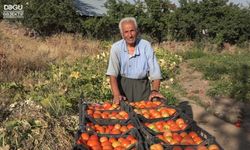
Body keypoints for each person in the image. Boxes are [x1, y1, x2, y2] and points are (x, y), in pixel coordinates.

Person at [106, 17, 164, 103]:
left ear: (137, 31)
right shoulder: (116, 48)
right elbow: (113, 74)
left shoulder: (145, 46)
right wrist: (116, 94)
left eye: (132, 30)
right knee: (123, 114)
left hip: (142, 87)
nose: (130, 35)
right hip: (123, 87)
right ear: (122, 34)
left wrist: (154, 91)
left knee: (143, 113)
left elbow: (155, 72)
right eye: (126, 32)